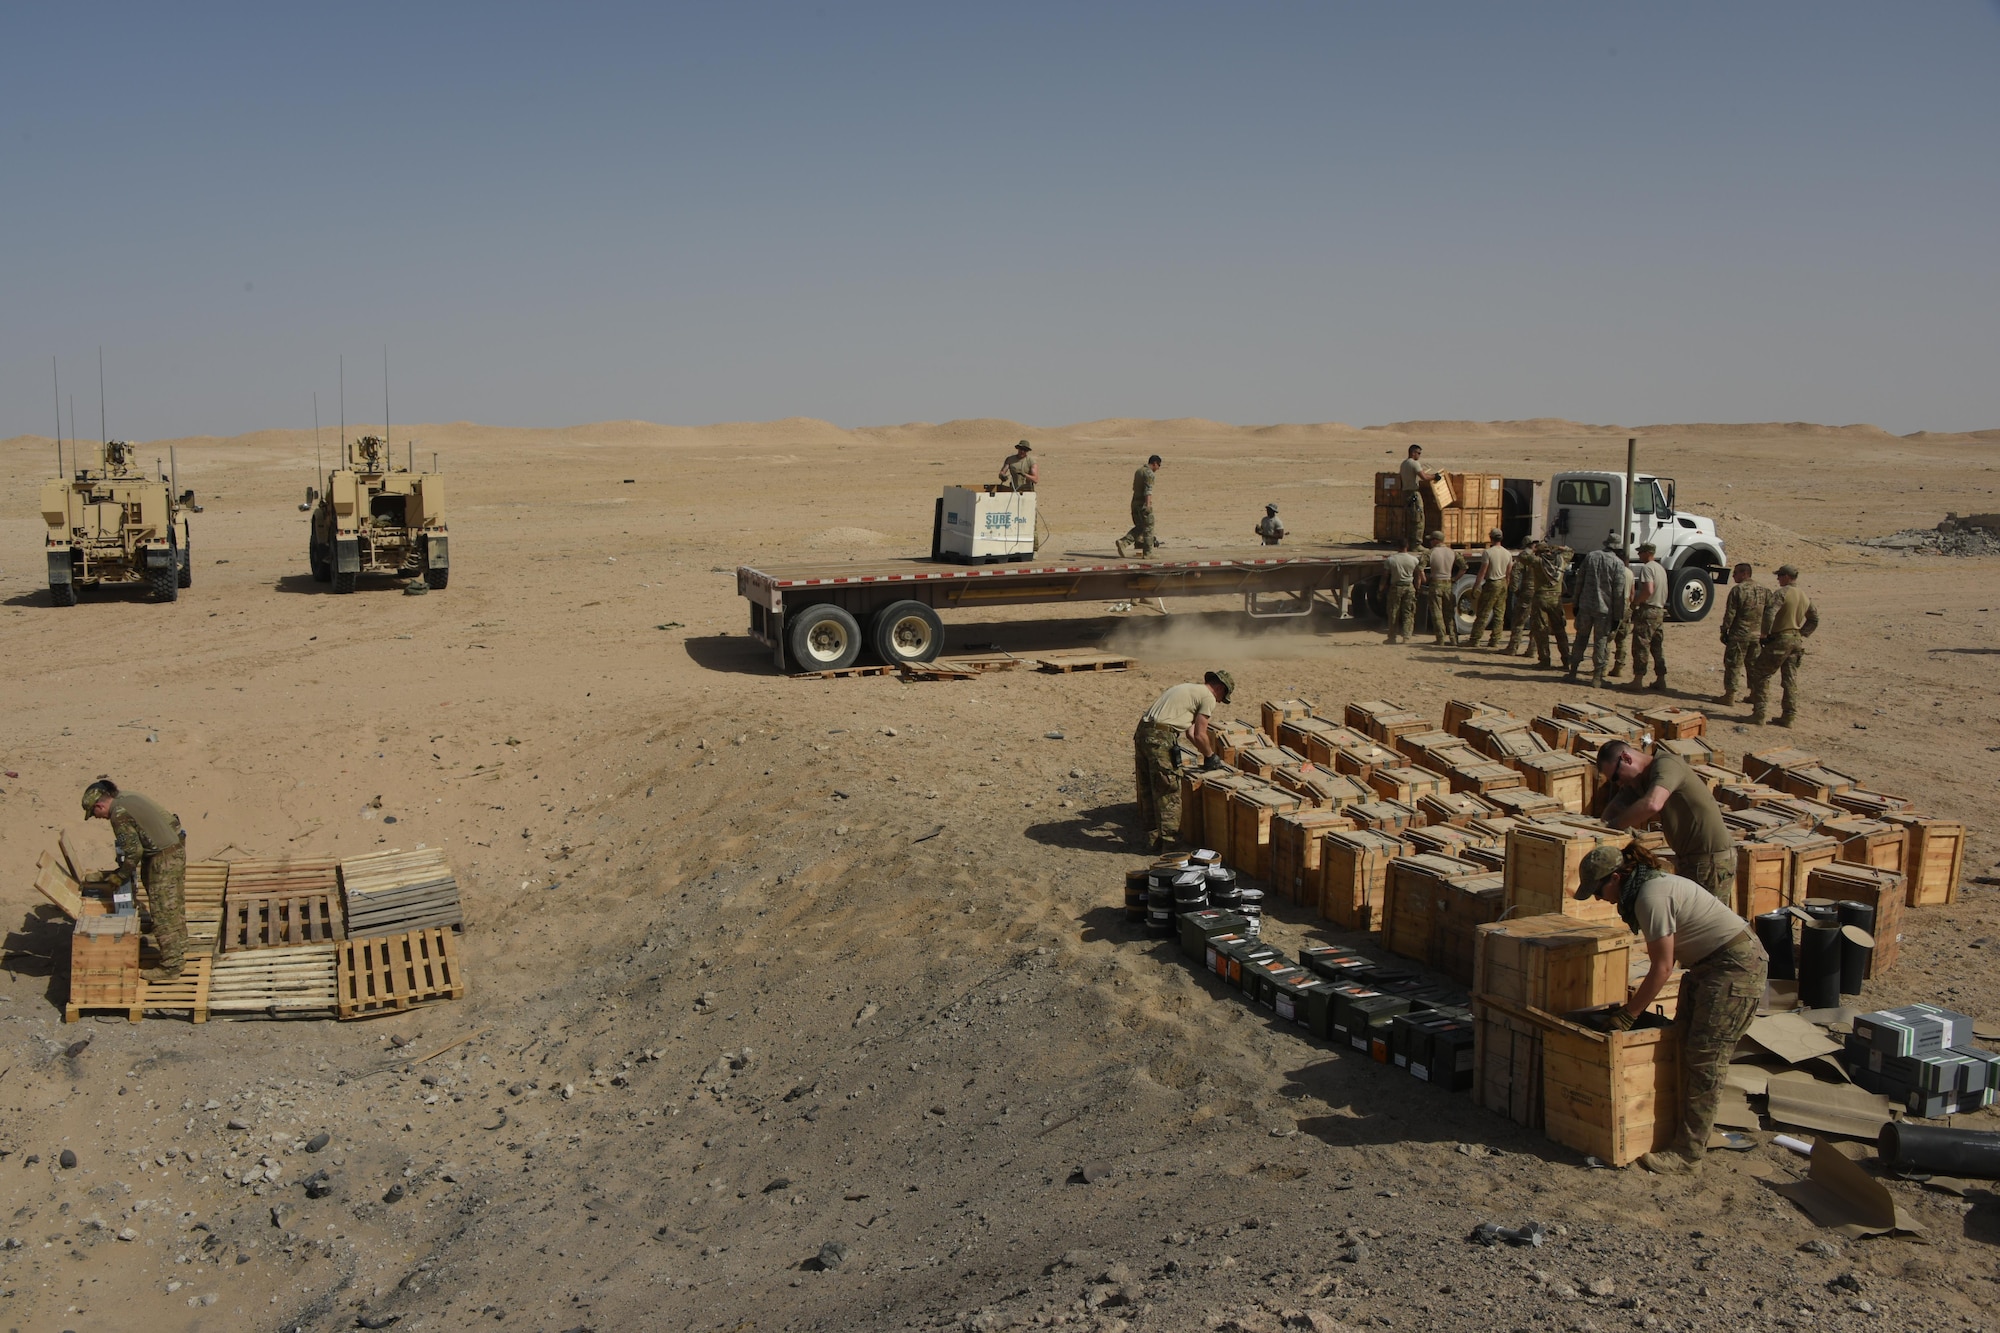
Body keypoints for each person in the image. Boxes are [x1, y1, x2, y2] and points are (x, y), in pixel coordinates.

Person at [1575, 844, 1766, 1176]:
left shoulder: (1651, 896)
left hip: (1733, 969)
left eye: (1599, 889)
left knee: (1705, 1059)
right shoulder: (1648, 887)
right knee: (1681, 1046)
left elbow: (1662, 968)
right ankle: (1680, 1132)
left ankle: (1688, 1156)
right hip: (1710, 966)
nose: (1598, 899)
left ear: (1618, 878)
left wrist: (1628, 1015)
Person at [1596, 739, 1735, 903]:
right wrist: (1601, 829)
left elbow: (1652, 804)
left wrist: (1613, 825)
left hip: (1710, 862)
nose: (1618, 783)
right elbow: (1613, 809)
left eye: (1616, 777)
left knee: (1706, 924)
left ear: (1627, 758)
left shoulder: (1667, 764)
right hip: (1690, 861)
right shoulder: (1640, 781)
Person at [83, 777, 188, 981]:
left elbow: (133, 853)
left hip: (163, 860)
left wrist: (119, 877)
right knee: (173, 906)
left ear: (99, 805)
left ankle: (171, 967)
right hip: (173, 850)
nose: (97, 818)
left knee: (163, 913)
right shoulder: (128, 796)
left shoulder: (118, 814)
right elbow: (171, 820)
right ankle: (180, 946)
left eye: (94, 813)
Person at [1134, 670, 1234, 852]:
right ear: (1219, 687)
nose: (1219, 701)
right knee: (1168, 791)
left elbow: (1190, 733)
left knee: (1149, 787)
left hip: (1143, 733)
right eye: (1222, 697)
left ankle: (1152, 841)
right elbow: (1200, 734)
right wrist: (1211, 757)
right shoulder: (1208, 697)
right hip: (1160, 738)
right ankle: (1171, 845)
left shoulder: (1187, 689)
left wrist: (1205, 753)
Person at [1748, 564, 1819, 727]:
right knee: (1790, 679)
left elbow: (1770, 613)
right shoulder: (1803, 595)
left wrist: (1765, 634)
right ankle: (1789, 716)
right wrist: (1802, 633)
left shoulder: (1782, 593)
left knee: (1760, 674)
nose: (1778, 579)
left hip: (1781, 638)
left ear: (1787, 576)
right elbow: (1814, 618)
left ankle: (1759, 714)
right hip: (1795, 640)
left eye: (1780, 575)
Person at [1567, 535, 1625, 687]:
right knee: (1601, 641)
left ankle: (1573, 671)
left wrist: (1575, 602)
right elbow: (1619, 594)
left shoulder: (1591, 557)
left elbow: (1580, 580)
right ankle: (1597, 677)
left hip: (1585, 606)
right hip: (1604, 610)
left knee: (1580, 638)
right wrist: (1618, 616)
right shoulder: (1618, 564)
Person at [1715, 563, 1770, 706]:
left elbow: (1730, 614)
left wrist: (1724, 630)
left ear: (1744, 574)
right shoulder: (1764, 590)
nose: (1733, 576)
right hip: (1757, 635)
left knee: (1733, 664)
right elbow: (1769, 613)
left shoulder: (1737, 590)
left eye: (1736, 573)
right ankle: (1754, 694)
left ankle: (1730, 695)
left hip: (1739, 634)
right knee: (1753, 665)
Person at [1627, 543, 1669, 691]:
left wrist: (1636, 602)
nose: (1638, 555)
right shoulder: (1660, 569)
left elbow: (1648, 590)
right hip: (1659, 611)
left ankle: (1638, 680)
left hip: (1648, 611)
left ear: (1646, 553)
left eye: (1640, 553)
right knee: (1657, 647)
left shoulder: (1648, 568)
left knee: (1641, 646)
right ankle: (1661, 679)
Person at [1525, 540, 1572, 669]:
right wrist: (1556, 547)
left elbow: (1523, 557)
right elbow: (1570, 551)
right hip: (1556, 599)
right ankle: (1566, 660)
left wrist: (1532, 549)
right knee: (1560, 630)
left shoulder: (1538, 562)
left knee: (1541, 630)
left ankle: (1545, 660)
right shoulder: (1561, 560)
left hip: (1541, 598)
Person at [1468, 529, 1511, 649]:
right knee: (1499, 613)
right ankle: (1495, 640)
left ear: (1491, 538)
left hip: (1492, 583)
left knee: (1483, 612)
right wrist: (1506, 585)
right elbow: (1509, 573)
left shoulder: (1488, 552)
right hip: (1503, 583)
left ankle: (1475, 639)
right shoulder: (1507, 553)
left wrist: (1476, 586)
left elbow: (1483, 571)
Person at [1116, 455, 1162, 558]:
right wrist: (1148, 505)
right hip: (1143, 504)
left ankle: (1125, 543)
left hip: (1134, 503)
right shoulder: (1149, 473)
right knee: (1149, 527)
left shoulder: (1139, 471)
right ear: (1154, 463)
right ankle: (1147, 553)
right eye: (1158, 465)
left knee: (1140, 527)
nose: (1158, 468)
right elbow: (1148, 491)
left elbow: (1134, 488)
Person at [1422, 531, 1462, 646]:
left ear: (1435, 540)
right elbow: (1464, 567)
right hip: (1448, 584)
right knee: (1450, 614)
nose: (1430, 542)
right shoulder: (1452, 552)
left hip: (1435, 584)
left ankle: (1440, 639)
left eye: (1431, 540)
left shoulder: (1430, 552)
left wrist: (1425, 580)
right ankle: (1454, 639)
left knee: (1437, 613)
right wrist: (1455, 579)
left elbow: (1420, 568)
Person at [1398, 444, 1439, 545]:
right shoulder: (1414, 463)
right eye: (1419, 453)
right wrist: (1435, 476)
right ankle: (1416, 544)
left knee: (1411, 520)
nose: (1419, 455)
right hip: (1413, 494)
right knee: (1418, 520)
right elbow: (1424, 477)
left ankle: (1410, 543)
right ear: (1413, 453)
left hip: (1406, 493)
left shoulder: (1404, 463)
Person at [1382, 538, 1420, 644]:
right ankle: (1406, 637)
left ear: (1397, 547)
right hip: (1409, 587)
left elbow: (1385, 575)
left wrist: (1381, 588)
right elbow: (1418, 575)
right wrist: (1417, 587)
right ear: (1407, 546)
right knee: (1408, 612)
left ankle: (1392, 637)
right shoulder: (1414, 560)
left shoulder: (1391, 560)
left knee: (1393, 612)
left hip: (1396, 587)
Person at [1503, 539, 1535, 656]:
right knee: (1536, 622)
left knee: (1519, 620)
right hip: (1539, 593)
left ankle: (1513, 648)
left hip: (1527, 592)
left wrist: (1514, 590)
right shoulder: (1543, 556)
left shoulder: (1525, 556)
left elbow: (1515, 572)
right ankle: (1532, 650)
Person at [1607, 555, 1637, 678]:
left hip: (1615, 604)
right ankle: (1619, 667)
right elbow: (1632, 593)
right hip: (1626, 605)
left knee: (1607, 637)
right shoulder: (1630, 573)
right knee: (1622, 638)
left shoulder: (1615, 571)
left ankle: (1602, 667)